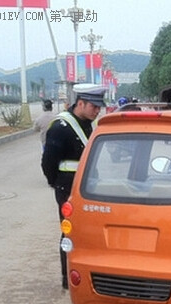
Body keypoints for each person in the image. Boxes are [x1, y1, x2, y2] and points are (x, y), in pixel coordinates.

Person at [41, 83, 107, 289]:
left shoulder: (88, 124)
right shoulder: (61, 128)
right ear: (81, 103)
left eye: (99, 107)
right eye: (94, 107)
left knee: (89, 232)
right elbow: (48, 163)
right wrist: (56, 183)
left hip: (87, 189)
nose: (97, 111)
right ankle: (67, 278)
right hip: (67, 189)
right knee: (69, 232)